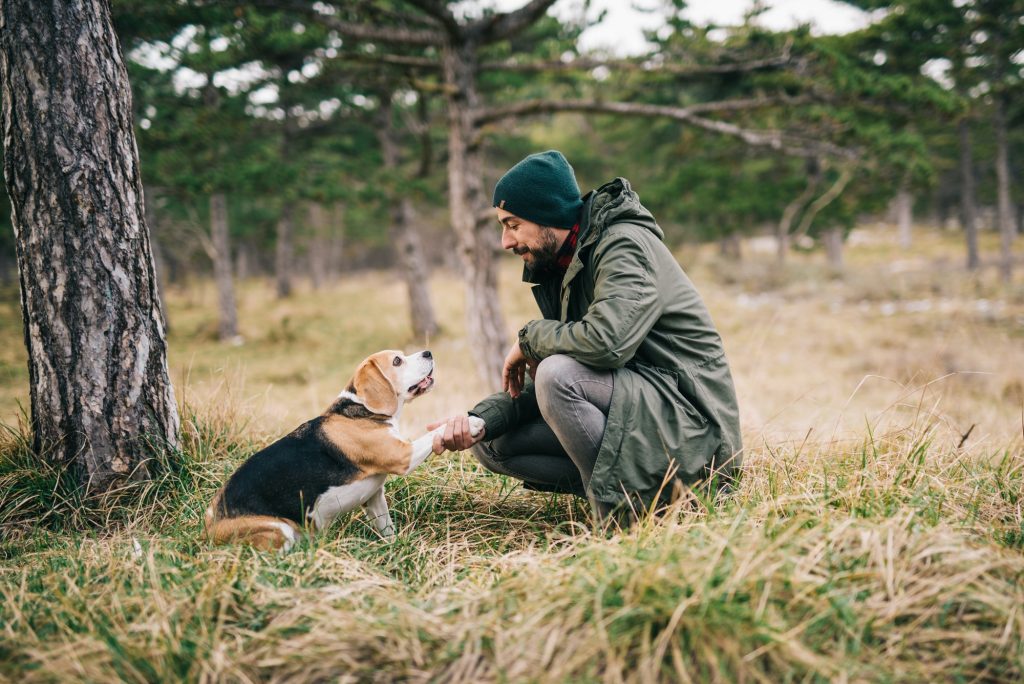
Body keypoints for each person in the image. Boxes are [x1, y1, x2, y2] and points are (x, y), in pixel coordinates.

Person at [431, 150, 742, 525]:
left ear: (547, 214)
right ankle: (646, 499)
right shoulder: (565, 263)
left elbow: (605, 344)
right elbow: (556, 386)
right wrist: (477, 420)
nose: (505, 242)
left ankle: (623, 522)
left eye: (512, 224)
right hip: (639, 410)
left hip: (694, 431)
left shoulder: (625, 245)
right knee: (492, 442)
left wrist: (530, 337)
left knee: (557, 374)